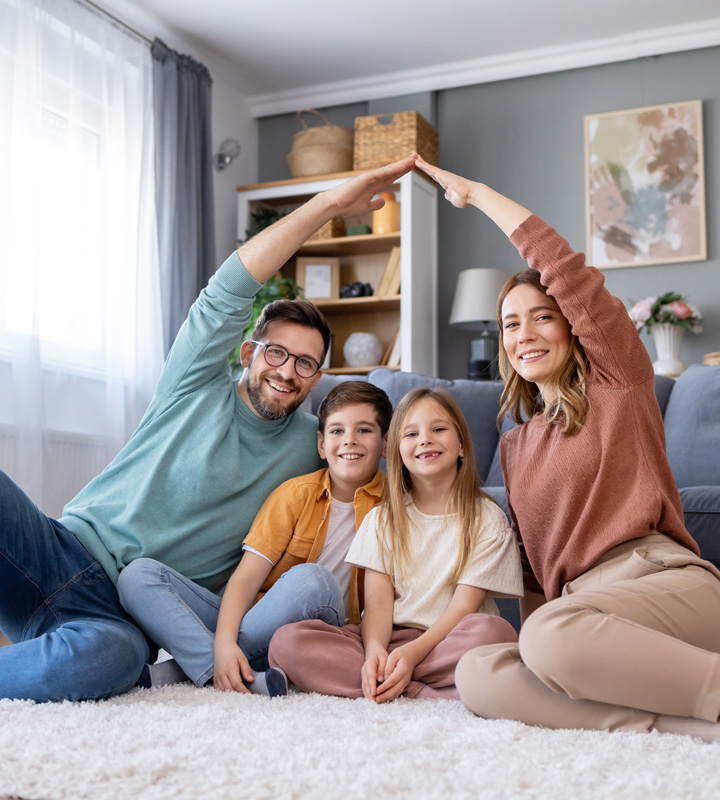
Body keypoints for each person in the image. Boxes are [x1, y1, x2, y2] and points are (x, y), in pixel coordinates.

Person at [413, 155, 720, 754]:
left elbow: (567, 270)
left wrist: (480, 194)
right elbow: (537, 578)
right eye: (510, 324)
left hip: (668, 595)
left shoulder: (617, 382)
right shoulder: (516, 445)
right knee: (479, 673)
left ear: (572, 327)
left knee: (547, 635)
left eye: (543, 316)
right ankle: (709, 730)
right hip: (586, 627)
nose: (525, 334)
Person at [0, 155, 417, 703]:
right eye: (276, 353)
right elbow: (230, 286)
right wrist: (330, 205)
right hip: (55, 548)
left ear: (318, 378)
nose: (287, 372)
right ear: (247, 352)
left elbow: (391, 466)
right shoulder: (196, 381)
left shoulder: (317, 444)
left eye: (306, 364)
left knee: (111, 666)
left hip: (125, 620)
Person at [117, 380, 392, 695]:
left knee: (313, 579)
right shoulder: (294, 494)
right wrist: (223, 644)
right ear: (320, 444)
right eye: (337, 431)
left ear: (385, 443)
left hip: (326, 625)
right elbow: (246, 580)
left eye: (365, 430)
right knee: (137, 576)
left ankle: (190, 668)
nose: (350, 441)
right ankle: (223, 669)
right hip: (261, 618)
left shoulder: (397, 505)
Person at [268, 387, 523, 702]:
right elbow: (377, 607)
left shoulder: (487, 518)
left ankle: (392, 684)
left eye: (439, 429)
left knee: (496, 635)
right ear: (395, 451)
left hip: (450, 639)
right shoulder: (381, 519)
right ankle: (423, 690)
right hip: (389, 637)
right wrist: (375, 652)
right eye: (411, 433)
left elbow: (463, 608)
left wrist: (413, 654)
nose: (425, 440)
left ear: (461, 445)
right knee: (287, 641)